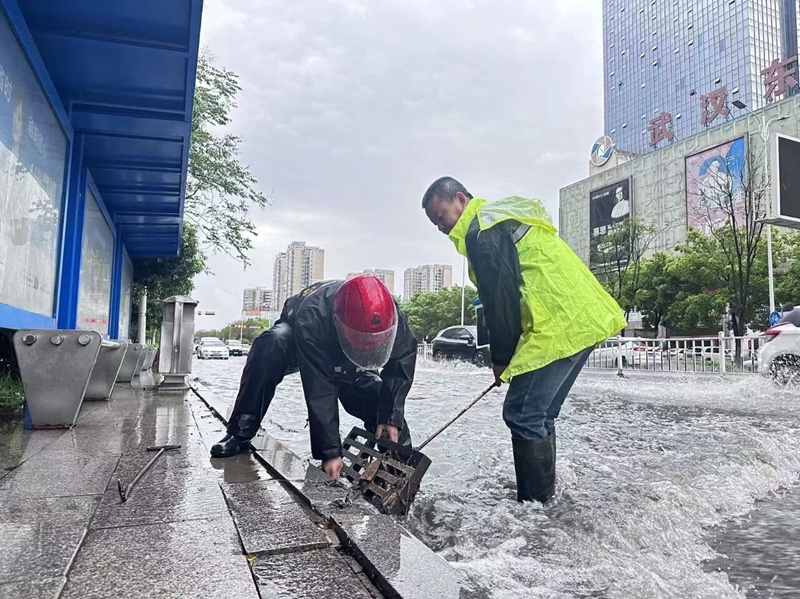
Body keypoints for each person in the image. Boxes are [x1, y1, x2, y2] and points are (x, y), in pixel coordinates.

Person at [421, 177, 626, 504]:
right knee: (539, 414)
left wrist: (501, 359)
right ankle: (546, 497)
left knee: (521, 413)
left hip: (558, 323)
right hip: (583, 314)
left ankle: (534, 507)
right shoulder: (499, 216)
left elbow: (500, 301)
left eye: (441, 215)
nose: (440, 226)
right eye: (434, 223)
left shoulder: (481, 232)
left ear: (460, 199)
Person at [211, 276, 417, 480]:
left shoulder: (390, 314)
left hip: (355, 352)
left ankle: (401, 465)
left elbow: (401, 364)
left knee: (377, 396)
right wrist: (330, 452)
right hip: (302, 337)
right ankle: (240, 432)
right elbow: (319, 386)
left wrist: (390, 416)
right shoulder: (312, 315)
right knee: (270, 345)